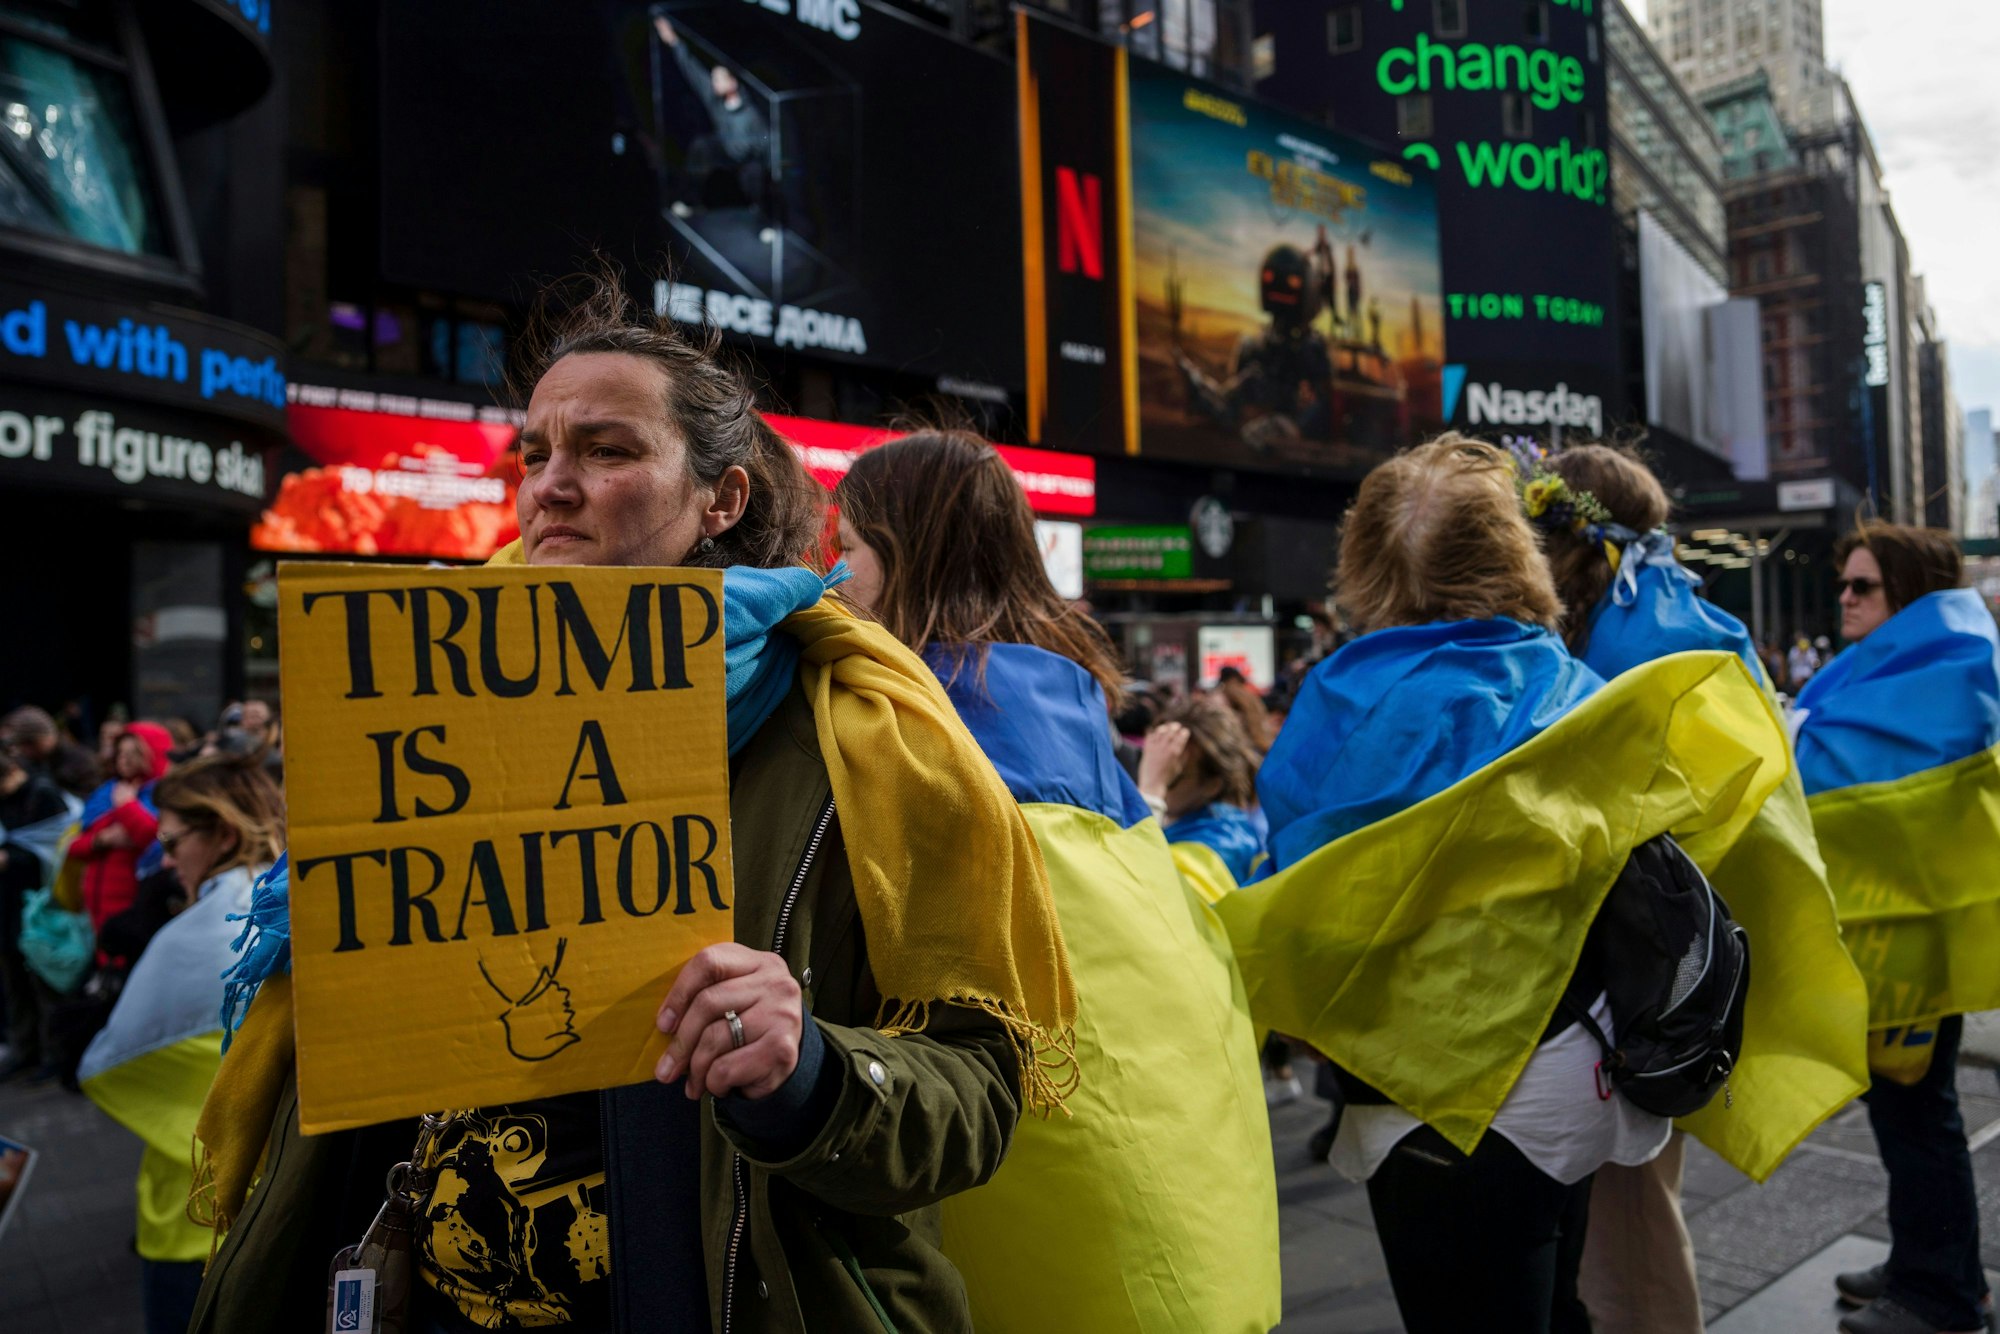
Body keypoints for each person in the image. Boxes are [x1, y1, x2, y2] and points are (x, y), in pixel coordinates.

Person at [188, 272, 1075, 1334]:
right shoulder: (420, 702)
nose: (550, 485)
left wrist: (811, 1071)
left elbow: (974, 1097)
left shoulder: (862, 735)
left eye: (606, 450)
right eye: (535, 452)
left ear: (721, 499)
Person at [1217, 436, 1795, 1333]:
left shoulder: (1333, 704)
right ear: (1511, 550)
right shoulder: (1572, 685)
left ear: (1364, 563)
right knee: (1558, 1302)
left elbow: (1301, 888)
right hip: (1577, 1077)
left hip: (1424, 1104)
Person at [830, 427, 1280, 1333]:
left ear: (903, 557)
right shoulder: (1070, 703)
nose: (835, 578)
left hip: (1045, 1235)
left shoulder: (891, 727)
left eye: (848, 551)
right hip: (1205, 1218)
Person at [1536, 444, 1868, 1334]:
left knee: (1630, 1221)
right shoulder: (1677, 613)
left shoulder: (1626, 638)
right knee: (1636, 1199)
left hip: (1638, 970)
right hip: (1684, 963)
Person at [1794, 522, 1998, 1334]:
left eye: (1863, 586)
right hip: (1888, 931)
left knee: (1921, 1114)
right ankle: (1921, 1260)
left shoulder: (1941, 681)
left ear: (1908, 598)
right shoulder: (1897, 675)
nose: (1844, 597)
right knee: (1903, 1110)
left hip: (1913, 945)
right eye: (1844, 584)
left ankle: (1945, 1296)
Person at [79, 753, 283, 1334]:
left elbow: (106, 1064)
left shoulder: (200, 932)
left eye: (171, 843)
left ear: (222, 832)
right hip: (283, 1206)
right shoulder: (296, 904)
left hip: (188, 1216)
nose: (166, 863)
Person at [1135, 699, 1268, 890]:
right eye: (1152, 764)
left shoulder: (1222, 843)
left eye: (1172, 775)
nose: (1153, 775)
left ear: (1212, 786)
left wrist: (1151, 791)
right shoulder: (1181, 821)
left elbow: (1142, 888)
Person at [0, 750, 76, 1080]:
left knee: (43, 981)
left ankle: (53, 1056)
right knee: (14, 980)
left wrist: (11, 860)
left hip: (41, 907)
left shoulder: (43, 794)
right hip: (8, 905)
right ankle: (23, 1049)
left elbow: (57, 848)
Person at [654, 13, 770, 223]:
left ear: (732, 83)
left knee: (756, 175)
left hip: (746, 158)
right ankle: (690, 201)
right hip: (724, 150)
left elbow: (764, 142)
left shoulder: (750, 113)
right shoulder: (714, 99)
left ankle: (766, 218)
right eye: (714, 79)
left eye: (719, 79)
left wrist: (748, 150)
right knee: (701, 146)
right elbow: (693, 70)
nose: (714, 83)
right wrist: (674, 42)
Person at [71, 723, 172, 960]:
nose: (124, 760)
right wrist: (100, 840)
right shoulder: (106, 793)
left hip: (133, 899)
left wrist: (127, 806)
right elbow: (75, 847)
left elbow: (152, 838)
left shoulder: (161, 794)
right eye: (121, 753)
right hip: (97, 899)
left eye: (133, 753)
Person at [2, 704, 100, 797]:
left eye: (22, 746)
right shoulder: (31, 762)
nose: (20, 752)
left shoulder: (81, 761)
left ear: (38, 741)